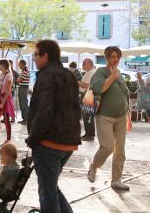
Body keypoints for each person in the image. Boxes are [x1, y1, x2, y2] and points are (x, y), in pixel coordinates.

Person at [26, 40, 81, 213]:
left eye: (36, 54)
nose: (34, 58)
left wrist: (34, 138)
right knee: (51, 186)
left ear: (45, 56)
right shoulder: (69, 74)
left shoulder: (46, 75)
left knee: (47, 193)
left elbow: (44, 110)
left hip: (49, 142)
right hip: (68, 142)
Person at [87, 46, 130, 191]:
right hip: (104, 116)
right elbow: (99, 89)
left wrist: (127, 110)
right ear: (106, 58)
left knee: (120, 151)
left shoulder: (119, 74)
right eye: (112, 56)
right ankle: (94, 166)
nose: (115, 59)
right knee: (107, 147)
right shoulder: (101, 72)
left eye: (117, 56)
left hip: (121, 117)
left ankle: (116, 180)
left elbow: (125, 93)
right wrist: (112, 76)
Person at [79, 58, 97, 141]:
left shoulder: (92, 72)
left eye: (84, 63)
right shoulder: (89, 72)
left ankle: (90, 135)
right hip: (87, 95)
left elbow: (87, 86)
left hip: (88, 95)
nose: (82, 65)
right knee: (86, 116)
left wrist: (78, 83)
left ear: (89, 64)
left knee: (88, 116)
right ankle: (88, 133)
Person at [16, 59, 30, 125]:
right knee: (22, 104)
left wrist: (17, 79)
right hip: (22, 88)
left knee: (24, 104)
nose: (18, 65)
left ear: (22, 64)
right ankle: (24, 119)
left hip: (23, 89)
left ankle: (26, 119)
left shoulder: (24, 71)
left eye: (19, 64)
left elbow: (19, 80)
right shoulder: (24, 70)